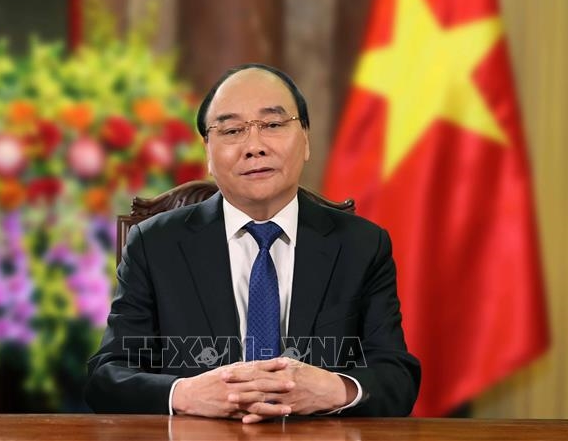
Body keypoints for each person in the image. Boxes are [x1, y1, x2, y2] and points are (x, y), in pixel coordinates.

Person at [85, 64, 420, 422]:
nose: (254, 147)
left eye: (273, 125)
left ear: (306, 140)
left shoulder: (362, 245)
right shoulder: (154, 246)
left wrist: (335, 389)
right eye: (232, 130)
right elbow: (107, 377)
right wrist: (185, 394)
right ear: (208, 152)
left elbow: (397, 376)